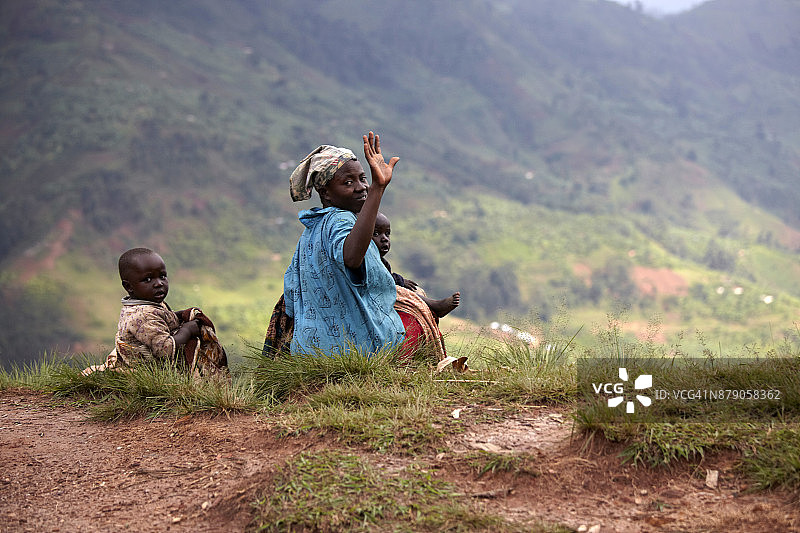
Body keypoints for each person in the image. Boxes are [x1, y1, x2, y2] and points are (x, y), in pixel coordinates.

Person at [282, 132, 406, 356]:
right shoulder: (341, 219)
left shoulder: (312, 230)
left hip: (311, 351)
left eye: (363, 178)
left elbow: (291, 294)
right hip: (354, 351)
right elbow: (351, 257)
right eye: (348, 182)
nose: (361, 187)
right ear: (325, 192)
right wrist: (378, 188)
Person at [83, 247, 228, 377]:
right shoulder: (143, 315)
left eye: (162, 276)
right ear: (129, 287)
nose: (159, 283)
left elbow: (162, 319)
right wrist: (187, 330)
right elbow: (165, 350)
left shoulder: (150, 303)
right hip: (145, 370)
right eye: (147, 279)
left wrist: (179, 315)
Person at [372, 212, 460, 318]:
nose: (384, 238)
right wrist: (400, 281)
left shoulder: (382, 261)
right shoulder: (367, 260)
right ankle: (434, 305)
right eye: (376, 234)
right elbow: (382, 278)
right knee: (401, 292)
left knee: (413, 290)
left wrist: (401, 281)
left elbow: (387, 275)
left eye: (387, 234)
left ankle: (433, 307)